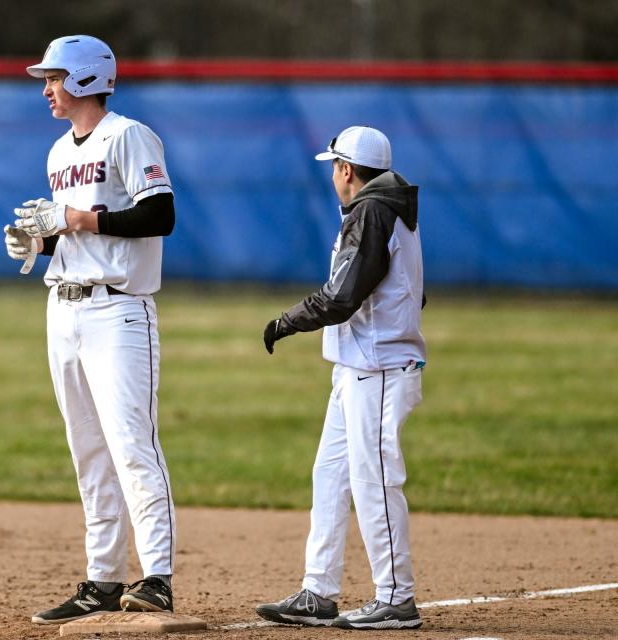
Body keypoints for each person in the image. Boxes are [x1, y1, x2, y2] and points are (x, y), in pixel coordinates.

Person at [3, 35, 178, 625]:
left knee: (133, 445)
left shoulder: (128, 135)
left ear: (82, 79)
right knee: (88, 453)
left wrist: (75, 219)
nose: (46, 88)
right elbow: (75, 230)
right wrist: (42, 240)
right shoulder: (58, 152)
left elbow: (160, 213)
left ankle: (156, 577)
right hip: (65, 308)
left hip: (118, 311)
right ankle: (102, 580)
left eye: (53, 77)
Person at [256, 126, 426, 630]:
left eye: (334, 165)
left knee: (374, 480)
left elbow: (340, 297)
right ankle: (318, 591)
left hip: (377, 369)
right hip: (358, 368)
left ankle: (397, 597)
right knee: (330, 476)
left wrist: (285, 322)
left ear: (346, 170)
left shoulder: (373, 212)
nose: (332, 174)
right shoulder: (383, 209)